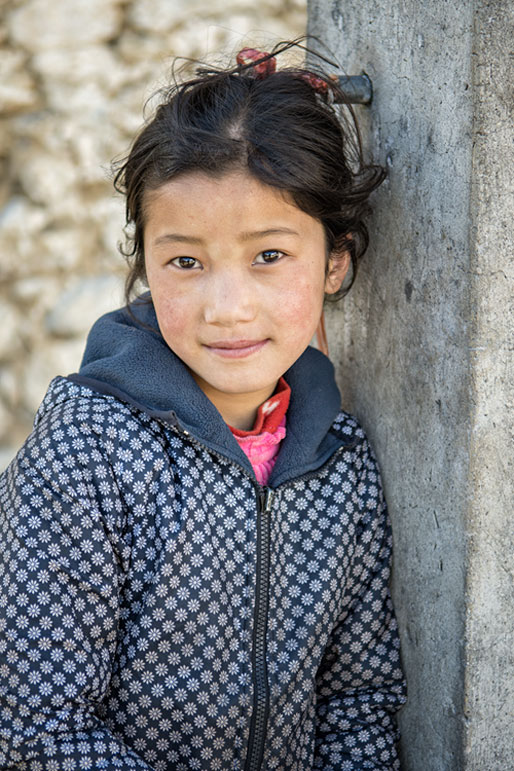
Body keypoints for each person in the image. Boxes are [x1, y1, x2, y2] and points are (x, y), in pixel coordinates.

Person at [0, 42, 406, 770]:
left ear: (336, 259)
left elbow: (357, 705)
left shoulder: (342, 463)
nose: (227, 307)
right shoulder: (86, 450)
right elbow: (38, 727)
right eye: (185, 261)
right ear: (147, 260)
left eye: (269, 256)